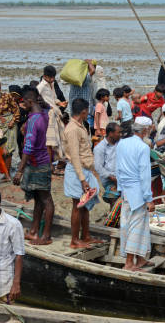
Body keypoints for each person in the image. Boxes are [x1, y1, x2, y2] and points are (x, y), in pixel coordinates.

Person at [12, 88, 54, 245]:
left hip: (39, 164)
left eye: (24, 103)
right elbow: (47, 106)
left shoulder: (33, 120)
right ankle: (34, 231)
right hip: (41, 162)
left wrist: (19, 171)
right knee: (38, 198)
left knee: (46, 199)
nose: (23, 106)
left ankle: (46, 236)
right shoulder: (43, 113)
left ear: (30, 102)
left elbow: (27, 148)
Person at [117, 116, 156, 271]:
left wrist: (121, 188)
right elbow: (144, 175)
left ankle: (140, 259)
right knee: (136, 227)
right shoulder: (143, 147)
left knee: (129, 224)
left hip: (126, 189)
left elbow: (118, 168)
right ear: (145, 130)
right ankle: (129, 263)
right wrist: (149, 198)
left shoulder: (122, 143)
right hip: (138, 191)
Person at [63, 98, 101, 249]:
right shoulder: (72, 129)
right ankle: (74, 240)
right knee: (77, 206)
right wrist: (82, 179)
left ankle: (85, 236)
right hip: (77, 171)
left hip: (84, 170)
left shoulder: (80, 126)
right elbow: (74, 156)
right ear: (84, 111)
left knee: (85, 205)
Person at [37, 66, 68, 169]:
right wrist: (47, 106)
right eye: (50, 78)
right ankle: (49, 164)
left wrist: (60, 103)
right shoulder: (40, 87)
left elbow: (53, 98)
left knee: (60, 138)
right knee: (50, 141)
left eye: (53, 77)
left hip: (56, 113)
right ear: (45, 76)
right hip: (48, 115)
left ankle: (60, 161)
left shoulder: (52, 84)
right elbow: (37, 100)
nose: (52, 80)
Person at [94, 122, 121, 208]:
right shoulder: (100, 148)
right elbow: (98, 167)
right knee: (115, 201)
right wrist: (113, 178)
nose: (120, 134)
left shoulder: (120, 143)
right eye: (118, 132)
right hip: (109, 179)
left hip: (120, 177)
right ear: (111, 134)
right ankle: (112, 220)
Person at [68, 59, 96, 126]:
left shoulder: (74, 78)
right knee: (80, 124)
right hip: (81, 106)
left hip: (74, 105)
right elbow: (93, 71)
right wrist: (89, 63)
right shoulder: (83, 78)